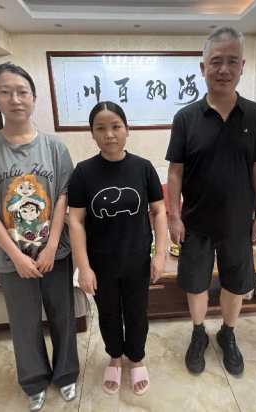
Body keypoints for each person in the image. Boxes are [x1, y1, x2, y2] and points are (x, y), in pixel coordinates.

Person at [0, 63, 79, 411]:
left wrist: (53, 245)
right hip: (11, 257)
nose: (15, 99)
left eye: (22, 91)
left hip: (55, 252)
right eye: (6, 92)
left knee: (63, 316)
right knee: (24, 322)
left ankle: (66, 375)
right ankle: (33, 381)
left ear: (33, 98)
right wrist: (16, 256)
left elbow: (63, 196)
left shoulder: (55, 147)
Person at [165, 27, 256, 376]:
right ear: (203, 68)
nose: (224, 69)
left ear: (242, 66)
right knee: (196, 283)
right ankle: (198, 333)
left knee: (235, 282)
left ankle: (227, 334)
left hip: (238, 221)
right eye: (216, 62)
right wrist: (174, 216)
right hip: (195, 222)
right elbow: (175, 172)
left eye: (232, 61)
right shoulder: (186, 118)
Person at [67, 101, 167, 396]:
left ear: (127, 130)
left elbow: (159, 212)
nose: (109, 134)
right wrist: (83, 267)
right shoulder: (83, 172)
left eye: (116, 126)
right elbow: (75, 221)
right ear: (92, 133)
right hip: (101, 263)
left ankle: (136, 358)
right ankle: (114, 356)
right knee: (108, 313)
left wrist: (159, 254)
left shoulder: (143, 168)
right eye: (101, 128)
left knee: (137, 313)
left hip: (138, 260)